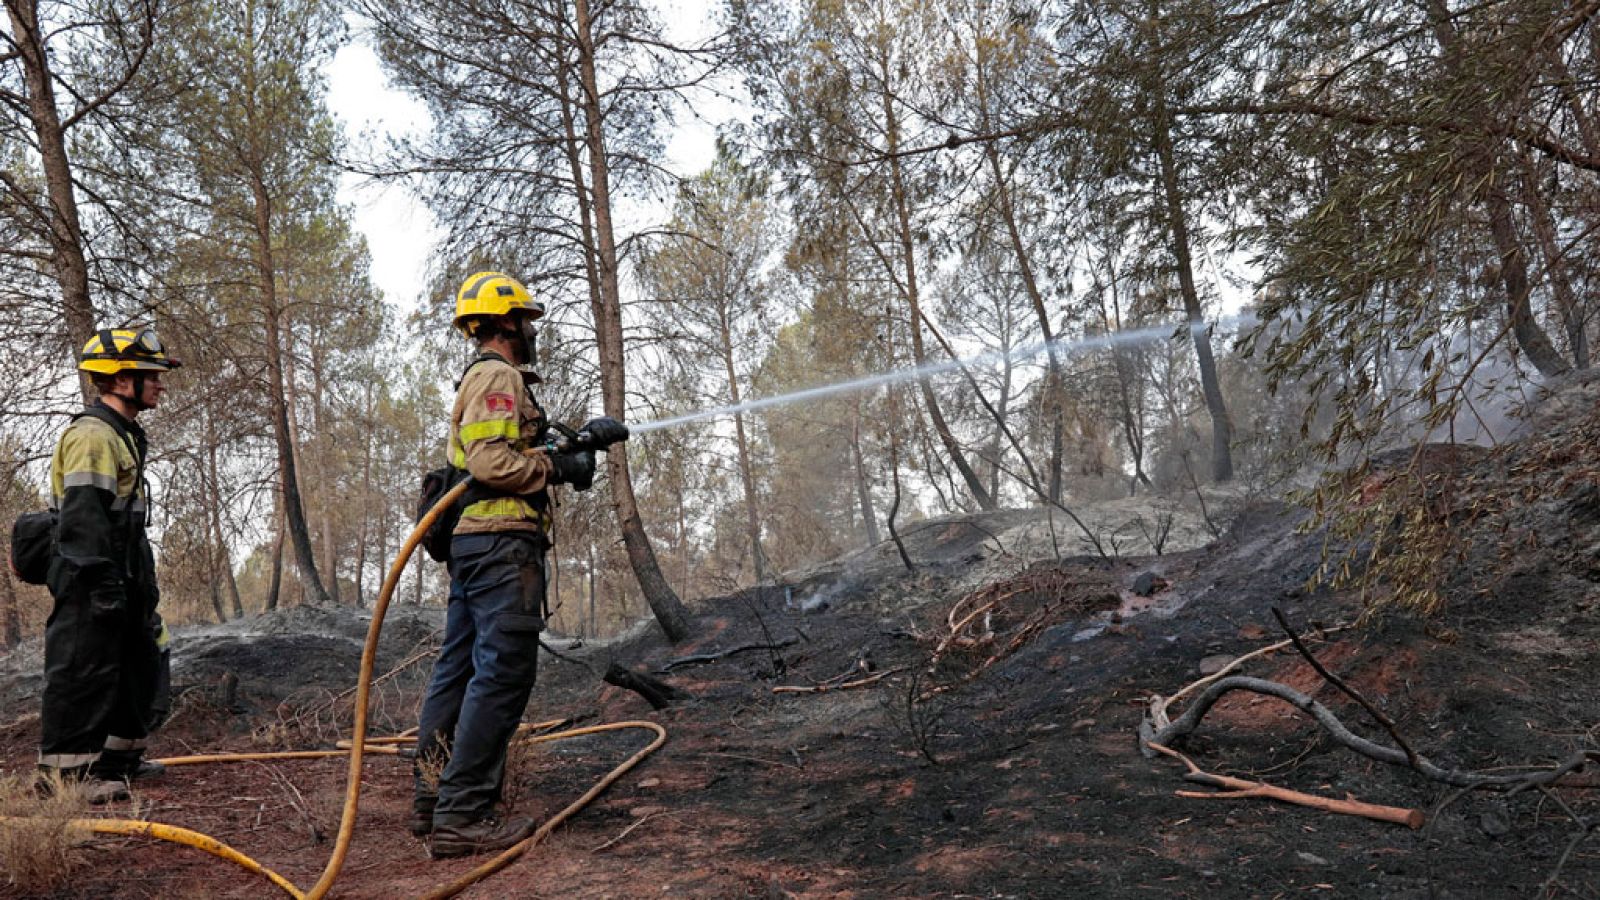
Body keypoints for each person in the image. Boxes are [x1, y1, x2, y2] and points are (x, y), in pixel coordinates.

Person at [411, 271, 624, 859]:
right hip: (502, 545)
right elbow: (489, 462)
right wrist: (559, 468)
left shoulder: (486, 378)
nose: (532, 329)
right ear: (506, 322)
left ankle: (434, 797)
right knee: (502, 675)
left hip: (477, 549)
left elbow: (506, 451)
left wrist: (574, 444)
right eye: (526, 320)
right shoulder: (498, 375)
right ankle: (462, 814)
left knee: (459, 670)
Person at [37, 328, 179, 804]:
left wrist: (137, 585)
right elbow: (82, 516)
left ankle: (119, 760)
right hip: (89, 570)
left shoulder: (121, 434)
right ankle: (67, 779)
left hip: (125, 566)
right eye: (151, 376)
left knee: (138, 660)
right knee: (84, 668)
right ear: (120, 382)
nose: (161, 384)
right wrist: (99, 582)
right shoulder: (93, 435)